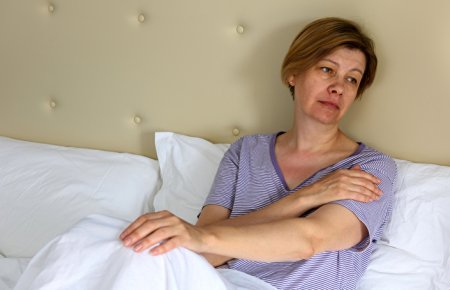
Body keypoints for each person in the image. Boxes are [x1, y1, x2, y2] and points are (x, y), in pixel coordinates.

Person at [15, 17, 395, 290]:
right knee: (96, 236)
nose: (338, 87)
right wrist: (306, 197)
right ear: (292, 74)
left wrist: (199, 239)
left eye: (351, 79)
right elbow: (205, 247)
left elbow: (310, 239)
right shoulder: (246, 152)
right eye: (327, 69)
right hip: (208, 280)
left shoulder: (367, 168)